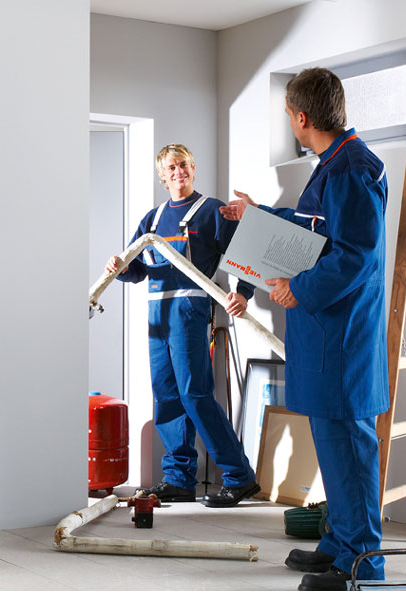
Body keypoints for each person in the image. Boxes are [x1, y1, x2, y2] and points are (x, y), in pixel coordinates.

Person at [220, 67, 388, 591]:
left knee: (350, 445)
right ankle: (339, 543)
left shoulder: (350, 169)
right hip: (324, 334)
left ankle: (362, 561)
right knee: (333, 445)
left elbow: (355, 255)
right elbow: (316, 229)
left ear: (300, 117)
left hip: (342, 334)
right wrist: (259, 215)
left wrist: (301, 289)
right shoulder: (334, 163)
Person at [106, 143, 259, 508]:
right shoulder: (153, 220)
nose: (179, 172)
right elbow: (137, 270)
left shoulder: (212, 211)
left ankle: (239, 477)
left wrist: (243, 293)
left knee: (195, 394)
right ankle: (178, 478)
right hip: (157, 314)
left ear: (193, 168)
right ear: (162, 175)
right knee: (166, 394)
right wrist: (118, 267)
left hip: (190, 310)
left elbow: (247, 254)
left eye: (184, 165)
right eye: (171, 167)